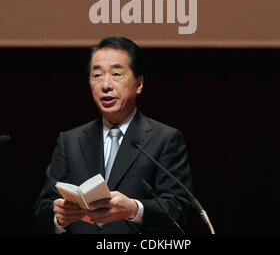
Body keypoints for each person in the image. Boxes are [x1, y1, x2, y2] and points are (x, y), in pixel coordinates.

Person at [34, 37, 193, 234]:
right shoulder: (70, 141)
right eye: (97, 75)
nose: (105, 85)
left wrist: (134, 209)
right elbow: (42, 211)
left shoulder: (165, 138)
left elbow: (179, 207)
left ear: (139, 83)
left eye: (117, 74)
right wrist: (59, 218)